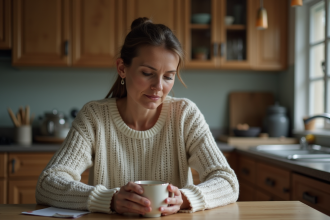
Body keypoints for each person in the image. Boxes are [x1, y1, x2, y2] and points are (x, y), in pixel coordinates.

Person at [35, 17, 239, 216]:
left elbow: (227, 181)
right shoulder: (94, 117)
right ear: (122, 69)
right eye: (147, 73)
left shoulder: (185, 115)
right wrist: (110, 199)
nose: (158, 87)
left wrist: (184, 199)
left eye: (168, 76)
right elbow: (48, 183)